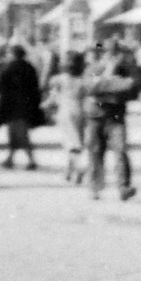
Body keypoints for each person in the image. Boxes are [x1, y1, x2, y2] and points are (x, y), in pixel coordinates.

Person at [83, 43, 140, 201]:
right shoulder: (92, 69)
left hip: (116, 117)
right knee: (95, 152)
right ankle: (95, 187)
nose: (115, 57)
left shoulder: (125, 71)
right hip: (95, 117)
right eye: (110, 54)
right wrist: (110, 79)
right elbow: (90, 88)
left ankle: (124, 186)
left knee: (121, 150)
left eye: (117, 54)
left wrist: (104, 86)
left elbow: (131, 88)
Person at [0, 43, 45, 169]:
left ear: (13, 55)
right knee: (17, 134)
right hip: (25, 107)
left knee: (19, 135)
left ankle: (31, 161)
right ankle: (10, 159)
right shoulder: (29, 68)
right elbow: (35, 89)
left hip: (12, 108)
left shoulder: (8, 69)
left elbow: (0, 88)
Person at [45, 50, 89, 183]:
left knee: (70, 143)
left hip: (65, 112)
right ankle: (68, 172)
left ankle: (79, 168)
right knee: (76, 142)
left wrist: (44, 105)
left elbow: (52, 98)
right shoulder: (83, 81)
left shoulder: (58, 80)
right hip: (81, 112)